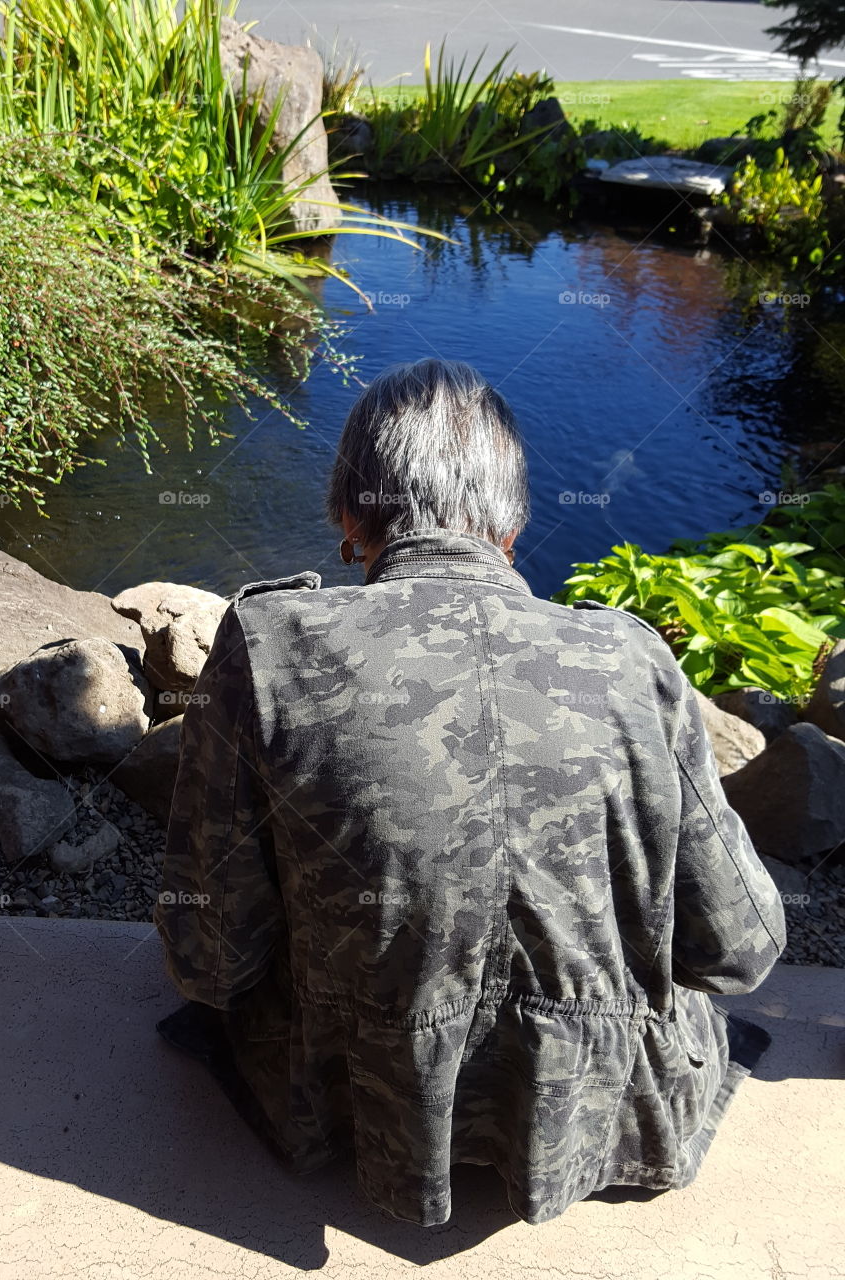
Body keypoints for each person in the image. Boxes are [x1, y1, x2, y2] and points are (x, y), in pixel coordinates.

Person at [153, 358, 786, 1227]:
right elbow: (741, 951)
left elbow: (208, 959)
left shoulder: (268, 643)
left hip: (347, 1106)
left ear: (349, 516)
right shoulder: (633, 662)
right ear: (511, 526)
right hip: (596, 1124)